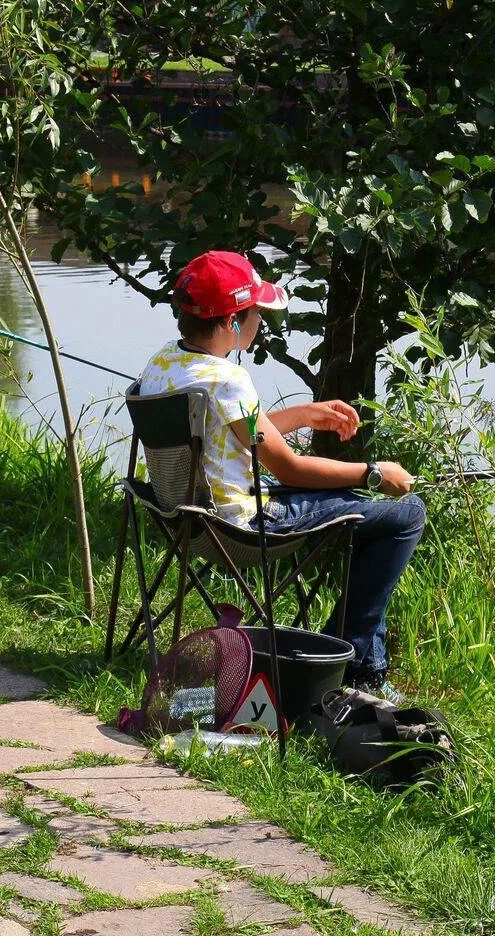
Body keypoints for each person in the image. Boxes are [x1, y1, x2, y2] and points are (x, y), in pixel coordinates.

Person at [136, 250, 426, 694]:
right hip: (243, 528)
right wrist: (373, 471)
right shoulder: (228, 379)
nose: (261, 322)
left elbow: (232, 433)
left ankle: (365, 666)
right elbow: (288, 466)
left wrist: (304, 415)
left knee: (362, 513)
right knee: (404, 516)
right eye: (256, 313)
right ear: (234, 321)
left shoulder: (162, 364)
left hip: (186, 519)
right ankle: (347, 660)